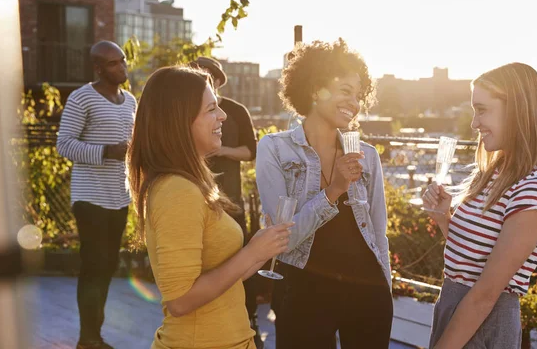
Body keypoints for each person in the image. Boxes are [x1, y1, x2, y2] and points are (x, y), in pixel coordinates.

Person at [126, 66, 293, 349]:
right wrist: (253, 251)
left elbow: (226, 275)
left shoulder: (190, 184)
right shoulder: (175, 190)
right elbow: (180, 301)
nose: (223, 115)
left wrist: (263, 249)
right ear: (180, 121)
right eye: (212, 109)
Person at [255, 39, 393, 348]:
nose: (355, 103)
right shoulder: (274, 149)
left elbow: (379, 233)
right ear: (316, 90)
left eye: (359, 96)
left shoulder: (366, 155)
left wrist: (386, 288)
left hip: (368, 293)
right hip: (303, 293)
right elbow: (283, 240)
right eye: (345, 91)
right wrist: (334, 190)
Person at [422, 63, 537, 349]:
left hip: (482, 323)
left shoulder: (536, 187)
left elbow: (486, 293)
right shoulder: (496, 170)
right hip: (455, 309)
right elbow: (474, 259)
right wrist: (444, 219)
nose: (474, 123)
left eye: (482, 110)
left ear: (517, 110)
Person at [56, 41, 136, 349]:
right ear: (99, 68)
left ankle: (94, 334)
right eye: (114, 63)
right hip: (90, 197)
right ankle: (87, 338)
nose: (122, 67)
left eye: (123, 61)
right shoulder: (81, 98)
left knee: (107, 265)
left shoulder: (130, 101)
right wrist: (106, 151)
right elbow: (64, 145)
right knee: (93, 265)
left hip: (120, 197)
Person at [190, 56, 263, 347]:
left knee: (241, 255)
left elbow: (250, 151)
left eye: (209, 76)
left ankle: (249, 315)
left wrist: (222, 151)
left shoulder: (236, 110)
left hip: (230, 197)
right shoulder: (185, 112)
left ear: (219, 81)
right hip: (196, 195)